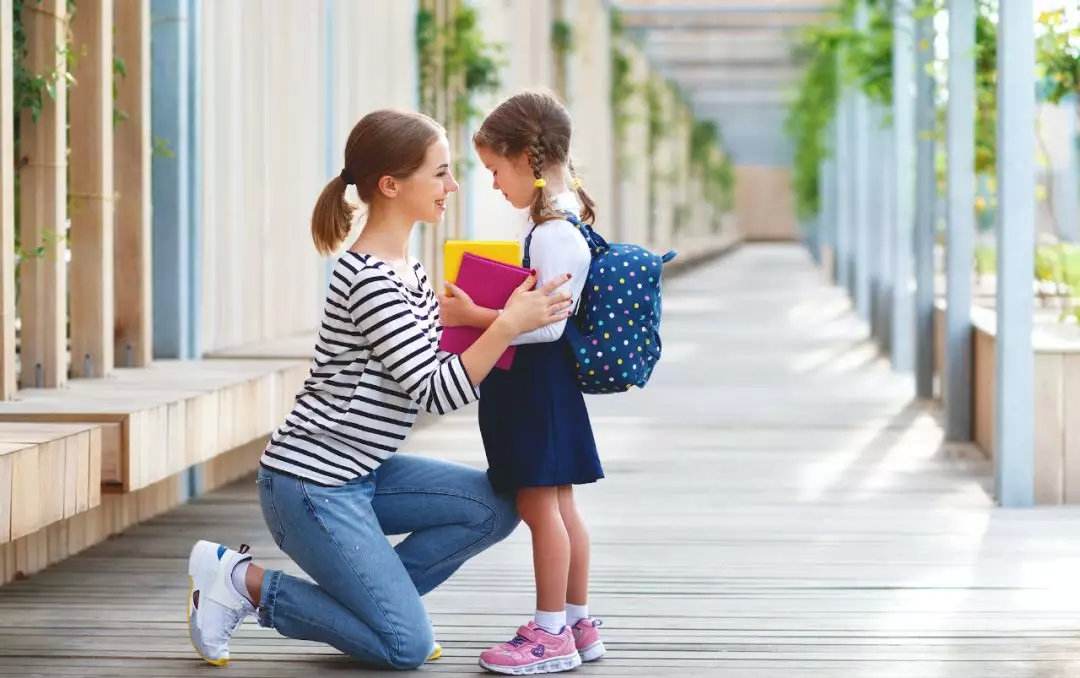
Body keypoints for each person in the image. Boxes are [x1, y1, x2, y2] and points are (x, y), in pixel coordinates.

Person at [185, 109, 574, 670]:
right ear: (391, 185)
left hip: (363, 472)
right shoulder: (369, 279)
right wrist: (508, 324)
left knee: (495, 506)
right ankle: (243, 583)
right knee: (404, 647)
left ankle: (374, 611)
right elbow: (436, 392)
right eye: (440, 173)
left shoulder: (408, 270)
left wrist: (488, 317)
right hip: (310, 485)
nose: (453, 185)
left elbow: (436, 361)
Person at [439, 90, 605, 674]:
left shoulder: (552, 232)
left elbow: (544, 329)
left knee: (542, 510)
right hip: (546, 391)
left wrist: (472, 317)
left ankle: (550, 632)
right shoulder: (562, 222)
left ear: (526, 159)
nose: (491, 183)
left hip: (534, 389)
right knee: (560, 508)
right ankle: (577, 621)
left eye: (494, 169)